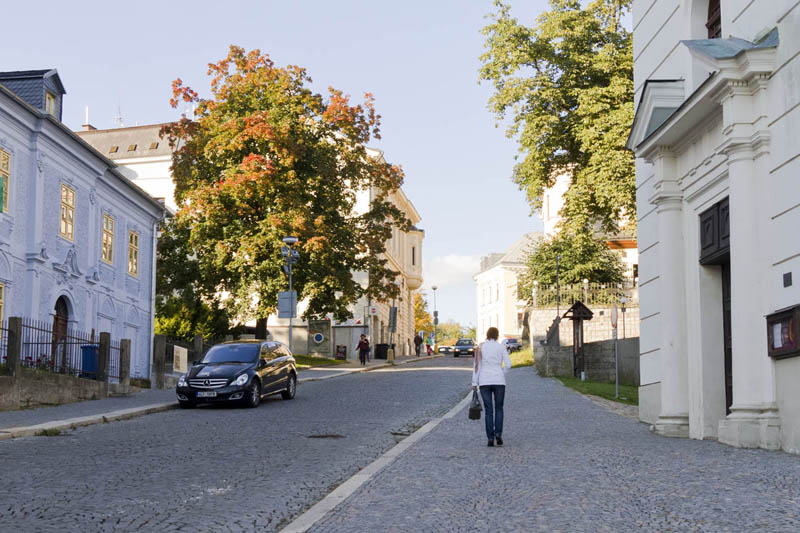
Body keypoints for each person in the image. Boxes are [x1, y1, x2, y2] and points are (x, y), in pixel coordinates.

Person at [472, 327, 512, 447]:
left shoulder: (481, 347)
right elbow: (509, 365)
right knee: (499, 408)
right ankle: (498, 434)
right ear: (497, 335)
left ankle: (490, 438)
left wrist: (474, 383)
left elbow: (476, 366)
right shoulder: (501, 347)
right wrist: (501, 372)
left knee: (489, 410)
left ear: (487, 335)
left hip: (484, 381)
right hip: (499, 381)